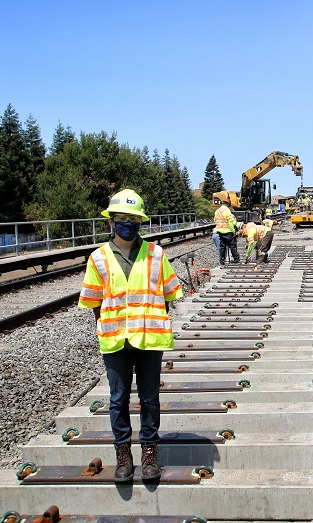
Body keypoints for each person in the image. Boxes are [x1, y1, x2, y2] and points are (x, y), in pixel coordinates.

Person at [78, 189, 183, 483]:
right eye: (122, 218)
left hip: (149, 338)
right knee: (118, 399)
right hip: (115, 340)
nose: (128, 223)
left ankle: (149, 456)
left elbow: (168, 296)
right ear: (111, 221)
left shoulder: (156, 254)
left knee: (150, 397)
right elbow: (94, 302)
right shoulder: (98, 258)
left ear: (141, 222)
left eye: (133, 218)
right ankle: (123, 457)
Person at [214, 198, 240, 265]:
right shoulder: (227, 211)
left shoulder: (217, 211)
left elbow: (215, 221)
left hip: (220, 231)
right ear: (228, 204)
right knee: (232, 245)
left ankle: (222, 261)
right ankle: (236, 258)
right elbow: (231, 223)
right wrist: (233, 231)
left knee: (222, 246)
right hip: (228, 231)